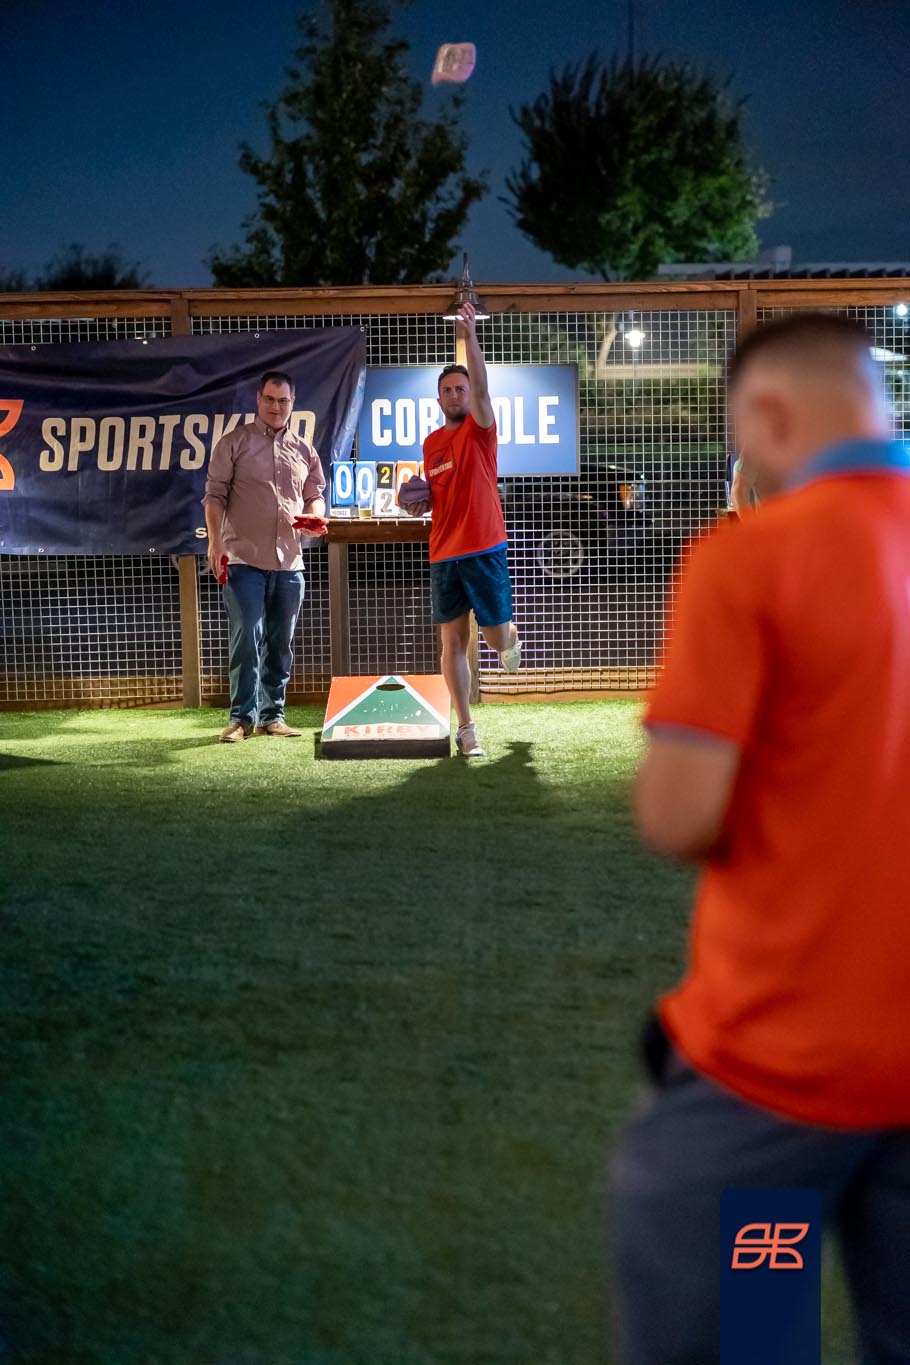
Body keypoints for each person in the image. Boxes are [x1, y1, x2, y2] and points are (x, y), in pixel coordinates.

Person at [609, 314, 910, 1364]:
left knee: (758, 1327)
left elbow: (677, 812)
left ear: (768, 415)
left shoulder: (749, 558)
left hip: (779, 1083)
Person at [419, 300, 521, 757]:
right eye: (449, 390)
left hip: (484, 547)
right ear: (438, 399)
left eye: (461, 388)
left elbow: (483, 389)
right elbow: (438, 496)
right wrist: (415, 500)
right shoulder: (431, 443)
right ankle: (466, 728)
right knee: (453, 641)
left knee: (495, 636)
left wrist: (471, 332)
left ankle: (508, 640)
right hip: (444, 553)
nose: (457, 395)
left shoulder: (480, 429)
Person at [203, 370, 327, 743]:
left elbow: (315, 494)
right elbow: (214, 496)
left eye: (283, 400)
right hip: (242, 559)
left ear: (293, 403)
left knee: (281, 642)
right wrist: (215, 543)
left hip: (290, 563)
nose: (276, 407)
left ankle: (272, 716)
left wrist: (317, 513)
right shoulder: (233, 444)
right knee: (247, 638)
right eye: (270, 399)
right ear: (258, 399)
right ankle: (241, 719)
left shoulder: (305, 450)